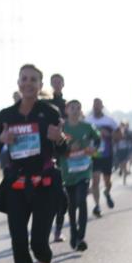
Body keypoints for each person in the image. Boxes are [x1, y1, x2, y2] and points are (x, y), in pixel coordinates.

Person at [0, 64, 67, 263]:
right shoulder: (6, 115)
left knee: (39, 242)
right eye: (25, 79)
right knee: (18, 242)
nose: (29, 83)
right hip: (17, 185)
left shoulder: (49, 112)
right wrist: (1, 140)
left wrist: (59, 139)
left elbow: (63, 152)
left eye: (34, 79)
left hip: (44, 184)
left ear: (40, 85)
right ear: (18, 83)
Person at [59, 101, 100, 251]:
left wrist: (92, 149)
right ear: (66, 110)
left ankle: (80, 237)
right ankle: (73, 232)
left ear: (80, 110)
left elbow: (98, 139)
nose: (75, 110)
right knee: (72, 205)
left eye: (77, 108)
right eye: (72, 108)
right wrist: (68, 148)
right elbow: (55, 147)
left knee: (81, 199)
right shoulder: (62, 128)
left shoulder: (87, 127)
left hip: (84, 169)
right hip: (68, 172)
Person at [85, 98, 118, 218]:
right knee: (95, 180)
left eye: (98, 105)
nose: (96, 107)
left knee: (107, 181)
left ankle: (107, 192)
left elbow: (119, 134)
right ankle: (97, 206)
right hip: (94, 154)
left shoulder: (110, 121)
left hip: (107, 154)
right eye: (94, 105)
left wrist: (110, 135)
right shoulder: (87, 120)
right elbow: (83, 135)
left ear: (102, 106)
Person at [45, 75, 68, 242]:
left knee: (62, 197)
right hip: (47, 153)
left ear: (63, 84)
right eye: (54, 81)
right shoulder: (45, 104)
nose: (57, 84)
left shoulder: (68, 105)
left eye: (59, 81)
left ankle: (58, 229)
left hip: (64, 152)